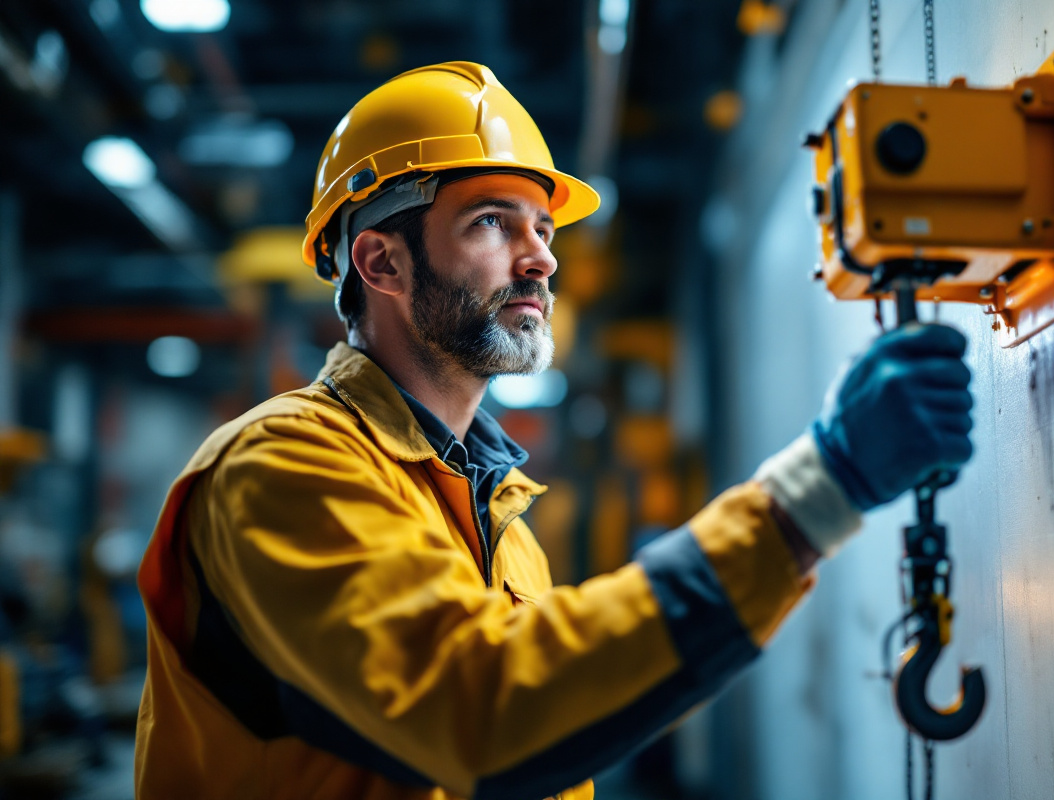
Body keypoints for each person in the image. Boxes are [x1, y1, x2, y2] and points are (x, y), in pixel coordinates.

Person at [134, 62, 973, 800]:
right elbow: (487, 718)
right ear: (381, 263)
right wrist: (818, 490)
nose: (541, 258)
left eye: (544, 227)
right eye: (491, 222)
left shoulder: (494, 511)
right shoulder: (280, 465)